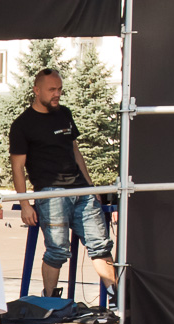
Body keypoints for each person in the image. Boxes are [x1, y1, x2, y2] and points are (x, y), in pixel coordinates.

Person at [9, 68, 117, 298]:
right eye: (52, 90)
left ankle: (116, 297)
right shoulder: (22, 124)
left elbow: (75, 151)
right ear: (36, 90)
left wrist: (91, 187)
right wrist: (25, 204)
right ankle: (50, 301)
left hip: (81, 190)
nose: (57, 94)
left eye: (59, 89)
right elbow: (17, 167)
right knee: (57, 250)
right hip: (50, 193)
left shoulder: (64, 113)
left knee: (100, 245)